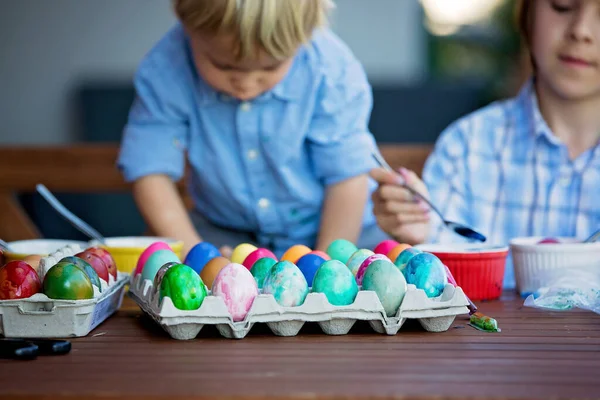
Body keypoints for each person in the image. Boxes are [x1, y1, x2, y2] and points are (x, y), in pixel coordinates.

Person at [117, 0, 389, 258]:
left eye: (271, 67)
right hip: (225, 233)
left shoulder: (331, 70)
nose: (246, 86)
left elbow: (347, 178)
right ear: (189, 27)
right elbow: (150, 171)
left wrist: (328, 265)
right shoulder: (166, 67)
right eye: (224, 66)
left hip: (336, 230)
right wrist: (196, 255)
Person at [370, 0, 600, 289]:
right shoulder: (467, 147)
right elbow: (444, 261)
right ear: (527, 13)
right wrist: (421, 229)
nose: (581, 31)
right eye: (563, 5)